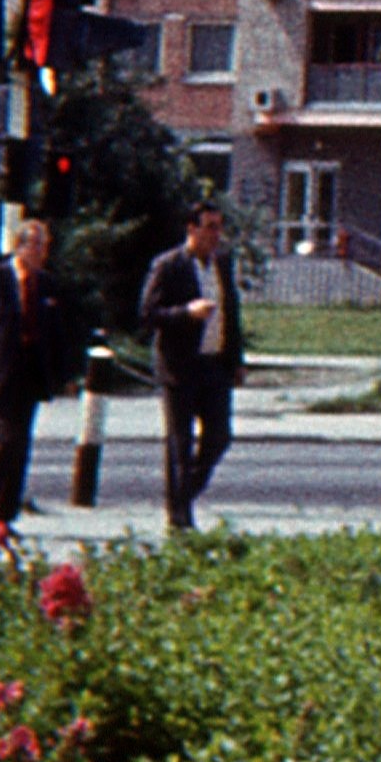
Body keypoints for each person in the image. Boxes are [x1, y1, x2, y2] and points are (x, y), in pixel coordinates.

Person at [0, 216, 72, 528]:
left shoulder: (46, 284)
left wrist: (64, 373)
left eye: (45, 246)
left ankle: (8, 512)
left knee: (20, 445)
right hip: (0, 372)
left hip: (31, 376)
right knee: (1, 443)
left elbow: (56, 332)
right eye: (36, 245)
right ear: (19, 247)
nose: (41, 252)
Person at [138, 204, 246, 531]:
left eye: (218, 228)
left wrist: (236, 360)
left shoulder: (222, 264)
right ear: (192, 229)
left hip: (214, 365)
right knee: (179, 444)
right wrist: (187, 312)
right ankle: (180, 517)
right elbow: (148, 314)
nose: (216, 235)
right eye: (209, 227)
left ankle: (184, 495)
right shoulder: (169, 266)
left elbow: (232, 313)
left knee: (219, 436)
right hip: (180, 367)